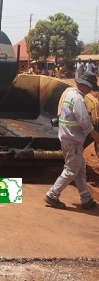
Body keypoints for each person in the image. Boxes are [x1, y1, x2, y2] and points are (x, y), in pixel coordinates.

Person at [45, 71, 99, 210]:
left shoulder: (70, 94)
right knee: (71, 170)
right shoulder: (79, 99)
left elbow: (75, 115)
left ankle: (86, 198)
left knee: (80, 169)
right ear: (85, 86)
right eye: (90, 87)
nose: (91, 91)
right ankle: (53, 194)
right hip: (73, 140)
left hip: (67, 138)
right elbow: (84, 121)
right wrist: (94, 134)